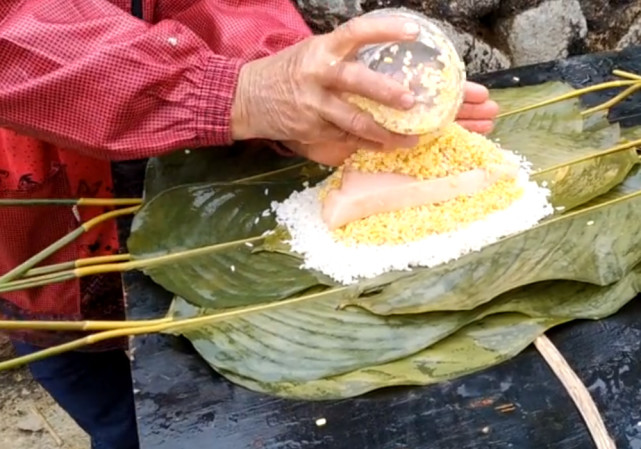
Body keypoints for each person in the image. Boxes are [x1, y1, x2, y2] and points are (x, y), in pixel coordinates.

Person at [0, 1, 499, 448]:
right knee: (126, 421)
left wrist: (294, 94)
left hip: (211, 189)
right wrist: (231, 91)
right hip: (45, 233)